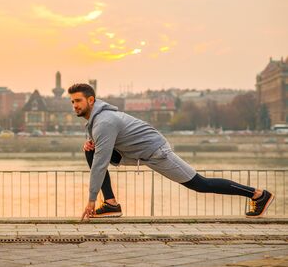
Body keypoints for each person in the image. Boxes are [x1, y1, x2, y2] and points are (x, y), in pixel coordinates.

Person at [67, 83, 275, 220]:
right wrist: (90, 143)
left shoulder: (104, 121)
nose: (74, 105)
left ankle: (258, 195)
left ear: (91, 100)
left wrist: (92, 199)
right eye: (72, 101)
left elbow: (101, 162)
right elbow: (100, 142)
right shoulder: (98, 120)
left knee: (200, 184)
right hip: (138, 152)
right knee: (91, 152)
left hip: (157, 152)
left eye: (78, 101)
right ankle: (112, 204)